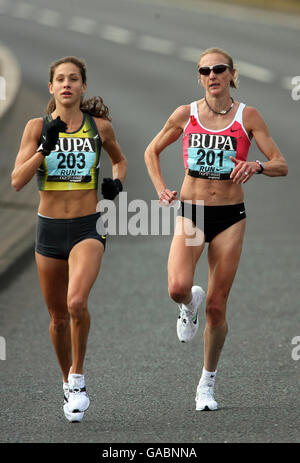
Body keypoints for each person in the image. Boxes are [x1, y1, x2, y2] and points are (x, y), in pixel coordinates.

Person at [144, 47, 287, 411]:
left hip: (230, 216)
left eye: (219, 69)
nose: (212, 75)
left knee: (217, 308)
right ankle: (188, 302)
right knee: (178, 288)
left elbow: (280, 164)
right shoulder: (186, 114)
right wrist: (161, 187)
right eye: (205, 70)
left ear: (231, 73)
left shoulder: (247, 115)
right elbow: (151, 151)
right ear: (200, 77)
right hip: (192, 212)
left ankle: (206, 383)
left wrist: (256, 166)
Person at [11, 56, 127, 422]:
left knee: (76, 302)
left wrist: (116, 184)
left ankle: (77, 378)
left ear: (83, 86)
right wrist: (44, 148)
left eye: (73, 79)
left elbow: (120, 161)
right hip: (48, 230)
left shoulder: (100, 127)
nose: (66, 84)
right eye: (59, 79)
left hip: (87, 227)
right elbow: (16, 180)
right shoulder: (36, 127)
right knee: (58, 318)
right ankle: (66, 380)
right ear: (51, 87)